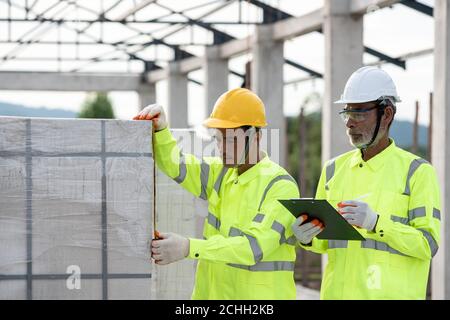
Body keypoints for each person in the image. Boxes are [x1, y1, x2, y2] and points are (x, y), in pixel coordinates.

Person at [134, 88, 300, 299]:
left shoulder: (280, 186)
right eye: (219, 138)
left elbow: (253, 248)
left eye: (231, 139)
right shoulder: (219, 173)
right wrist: (161, 130)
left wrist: (187, 247)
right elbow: (176, 165)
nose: (222, 148)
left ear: (255, 135)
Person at [292, 66, 441, 299]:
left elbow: (428, 244)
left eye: (359, 113)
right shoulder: (333, 170)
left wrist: (377, 223)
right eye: (347, 113)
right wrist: (307, 238)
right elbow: (325, 243)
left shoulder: (417, 172)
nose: (350, 123)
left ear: (387, 114)